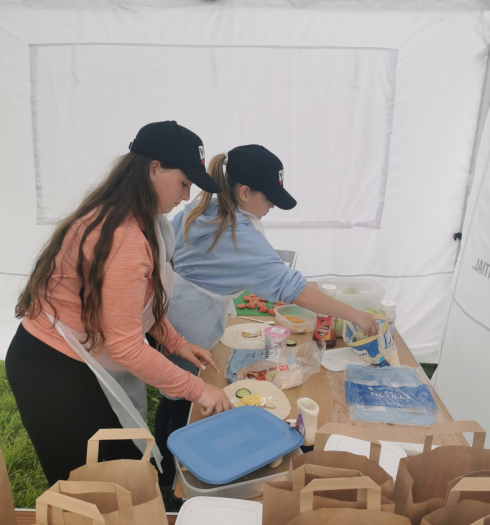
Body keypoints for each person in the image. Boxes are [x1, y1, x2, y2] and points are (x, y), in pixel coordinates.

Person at [5, 121, 234, 487]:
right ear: (154, 168)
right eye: (184, 183)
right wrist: (198, 389)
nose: (187, 196)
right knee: (91, 484)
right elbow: (126, 345)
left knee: (125, 468)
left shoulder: (142, 220)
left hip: (78, 352)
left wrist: (177, 343)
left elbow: (142, 301)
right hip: (51, 366)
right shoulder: (122, 236)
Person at [154, 144, 379, 479]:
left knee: (174, 394)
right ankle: (179, 477)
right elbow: (296, 290)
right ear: (245, 192)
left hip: (174, 315)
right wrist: (355, 315)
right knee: (189, 403)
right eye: (269, 198)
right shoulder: (239, 233)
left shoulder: (200, 209)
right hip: (195, 324)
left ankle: (164, 468)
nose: (272, 206)